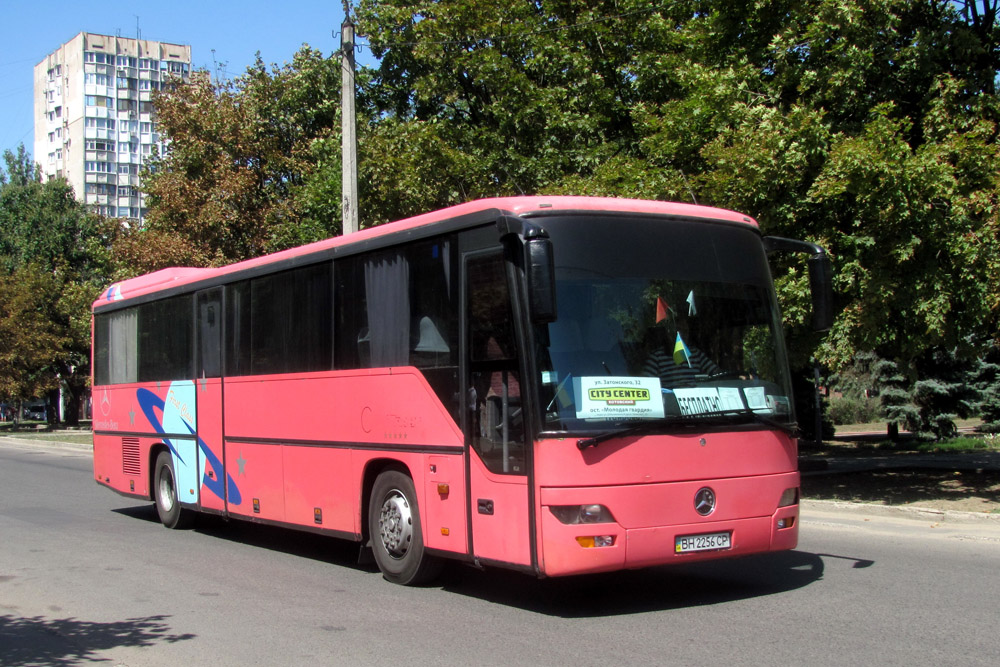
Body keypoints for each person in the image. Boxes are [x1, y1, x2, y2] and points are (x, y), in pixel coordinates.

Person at [642, 320, 721, 388]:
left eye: (686, 331)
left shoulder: (696, 354)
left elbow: (717, 374)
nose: (684, 335)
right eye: (680, 331)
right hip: (669, 402)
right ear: (670, 334)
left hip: (695, 399)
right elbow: (646, 384)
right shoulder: (656, 357)